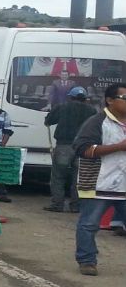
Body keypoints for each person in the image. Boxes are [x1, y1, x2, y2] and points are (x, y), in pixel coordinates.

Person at [71, 83, 126, 276]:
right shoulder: (96, 121)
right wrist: (118, 146)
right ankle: (87, 261)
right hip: (98, 183)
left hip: (124, 185)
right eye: (124, 98)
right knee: (89, 224)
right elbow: (81, 148)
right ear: (110, 100)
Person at [44, 86, 96, 213]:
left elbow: (48, 121)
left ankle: (57, 205)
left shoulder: (62, 107)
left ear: (70, 97)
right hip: (83, 148)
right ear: (85, 98)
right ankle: (75, 206)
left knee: (58, 177)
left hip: (64, 146)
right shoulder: (92, 111)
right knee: (78, 178)